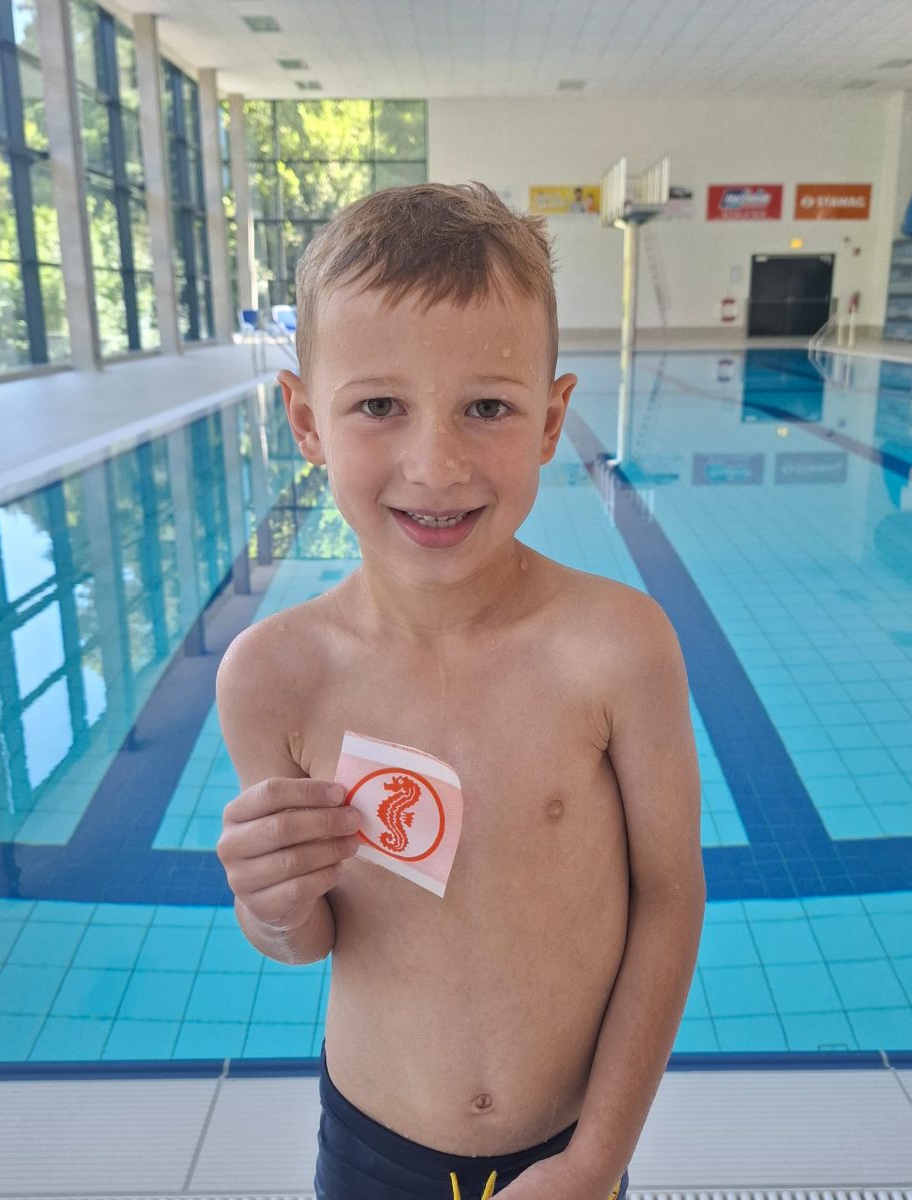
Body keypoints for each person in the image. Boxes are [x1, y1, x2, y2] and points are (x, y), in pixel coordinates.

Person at [216, 181, 705, 1200]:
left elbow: (669, 897)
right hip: (371, 1143)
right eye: (379, 406)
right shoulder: (276, 676)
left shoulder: (617, 648)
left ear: (551, 419)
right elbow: (307, 941)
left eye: (487, 407)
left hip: (569, 1152)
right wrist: (271, 906)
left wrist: (594, 1161)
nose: (435, 466)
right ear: (306, 421)